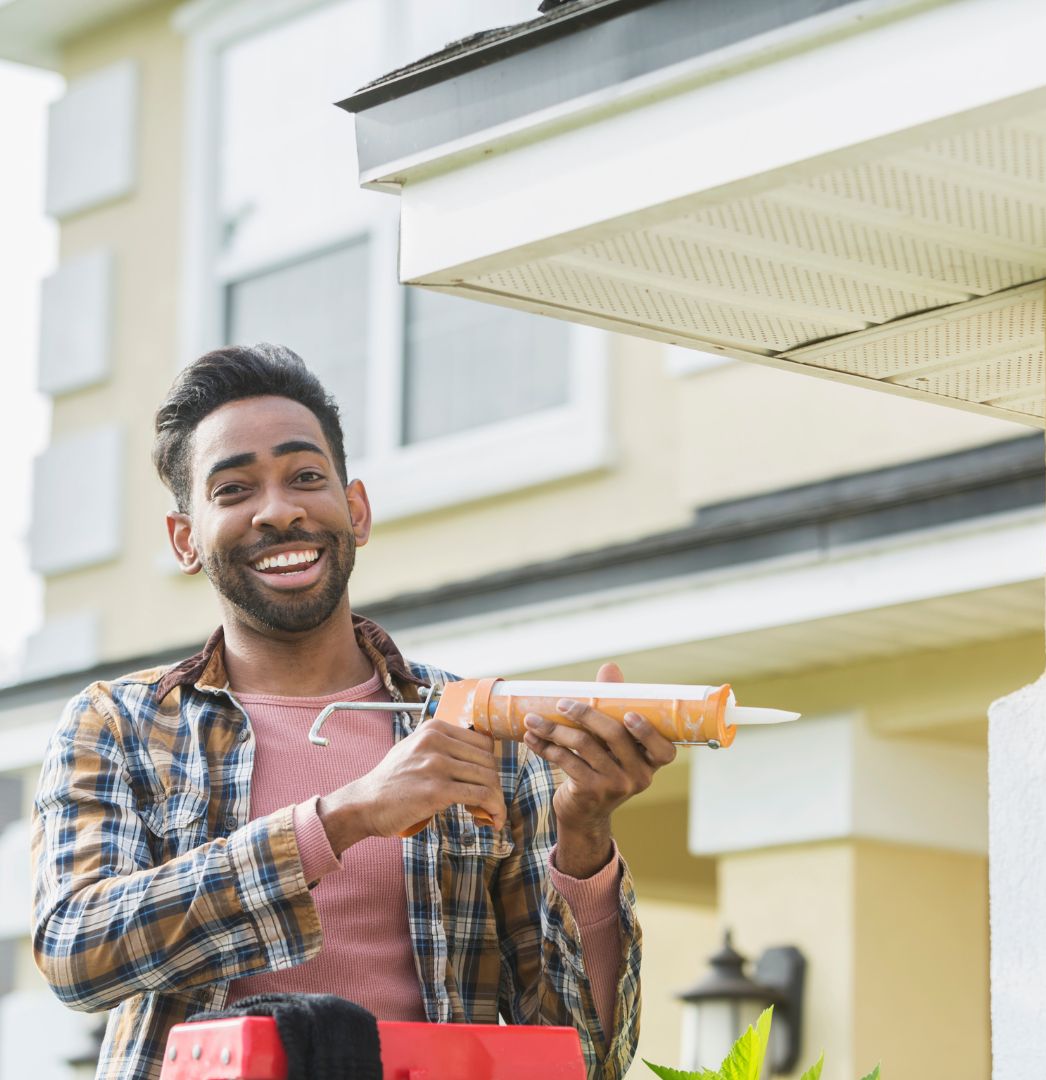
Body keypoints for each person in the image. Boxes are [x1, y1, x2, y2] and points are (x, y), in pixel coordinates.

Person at [31, 344, 677, 1080]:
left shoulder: (482, 731)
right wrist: (343, 817)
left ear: (356, 511)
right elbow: (76, 953)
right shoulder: (120, 724)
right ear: (185, 540)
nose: (279, 510)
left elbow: (587, 1061)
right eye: (235, 489)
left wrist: (586, 835)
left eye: (306, 477)